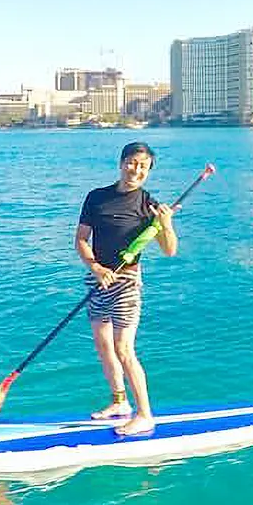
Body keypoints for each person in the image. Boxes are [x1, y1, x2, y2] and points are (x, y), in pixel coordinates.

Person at [75, 142, 177, 436]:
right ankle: (120, 403)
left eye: (143, 166)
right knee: (103, 345)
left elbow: (169, 250)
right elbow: (81, 239)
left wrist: (166, 224)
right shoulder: (96, 198)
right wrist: (96, 268)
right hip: (97, 280)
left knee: (124, 349)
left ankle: (145, 415)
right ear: (122, 163)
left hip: (127, 284)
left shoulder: (149, 206)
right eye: (132, 162)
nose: (137, 170)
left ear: (148, 171)